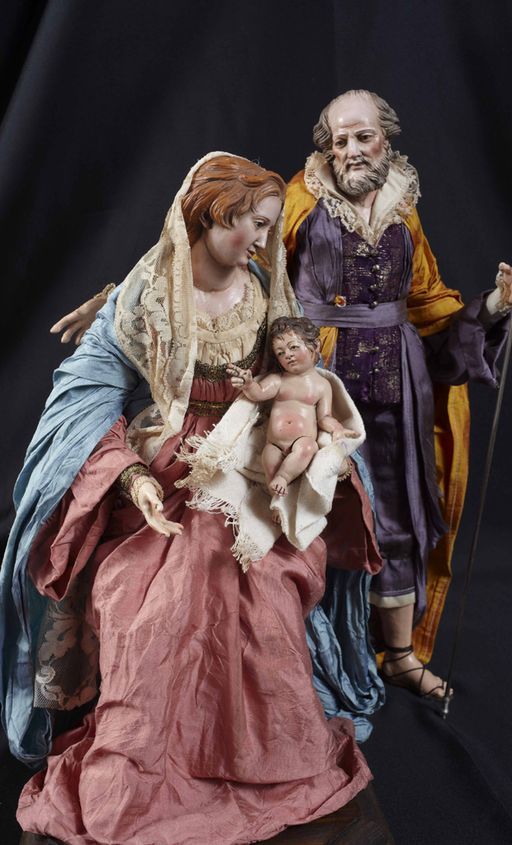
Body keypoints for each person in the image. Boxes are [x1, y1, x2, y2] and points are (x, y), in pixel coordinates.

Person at [0, 154, 384, 845]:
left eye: (269, 226)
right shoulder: (147, 294)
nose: (264, 241)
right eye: (252, 225)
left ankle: (266, 760)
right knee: (154, 601)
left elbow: (302, 381)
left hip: (248, 464)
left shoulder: (265, 291)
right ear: (209, 217)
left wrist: (307, 445)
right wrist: (132, 477)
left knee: (261, 589)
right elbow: (84, 401)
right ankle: (145, 769)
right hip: (165, 470)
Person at [282, 89, 512, 698]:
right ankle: (304, 661)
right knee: (310, 518)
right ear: (327, 147)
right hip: (319, 386)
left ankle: (397, 655)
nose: (352, 150)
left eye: (363, 136)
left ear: (386, 138)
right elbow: (250, 274)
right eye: (340, 140)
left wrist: (496, 303)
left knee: (396, 516)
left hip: (397, 388)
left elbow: (427, 301)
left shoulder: (403, 208)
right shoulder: (298, 202)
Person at [228, 315, 358, 498]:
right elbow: (259, 393)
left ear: (315, 346)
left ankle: (283, 477)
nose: (287, 354)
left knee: (308, 448)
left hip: (302, 442)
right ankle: (276, 496)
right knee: (269, 458)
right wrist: (248, 384)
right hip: (274, 444)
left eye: (294, 347)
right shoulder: (278, 380)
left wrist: (337, 429)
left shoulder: (321, 385)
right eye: (280, 353)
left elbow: (324, 417)